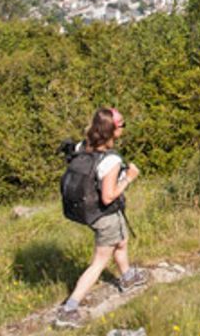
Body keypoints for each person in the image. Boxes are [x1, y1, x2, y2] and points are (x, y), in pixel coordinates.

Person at [55, 108, 146, 329]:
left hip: (89, 211)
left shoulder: (84, 145)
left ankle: (127, 276)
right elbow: (108, 196)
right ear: (113, 130)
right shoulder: (111, 160)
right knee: (99, 262)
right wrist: (129, 178)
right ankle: (69, 309)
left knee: (121, 241)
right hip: (105, 215)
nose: (124, 127)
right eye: (122, 124)